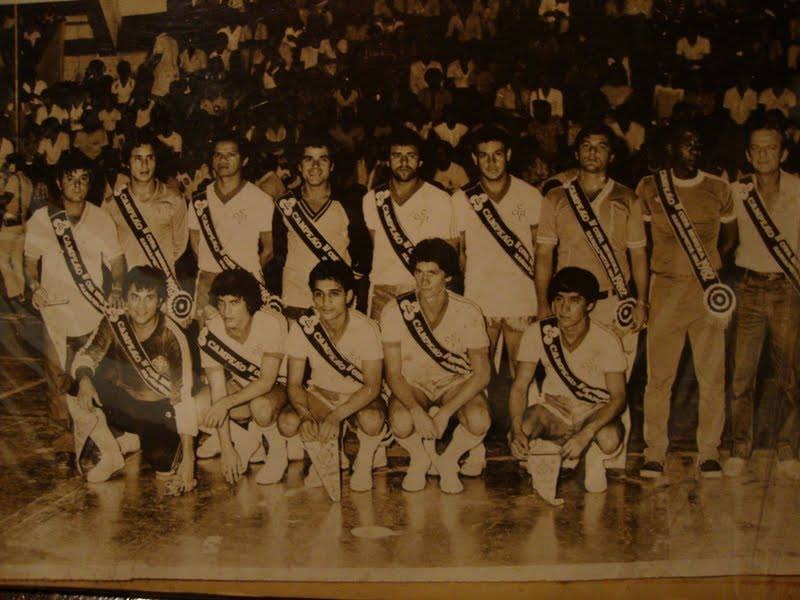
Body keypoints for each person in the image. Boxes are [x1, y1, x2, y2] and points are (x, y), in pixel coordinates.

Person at [635, 123, 735, 479]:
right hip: (664, 289)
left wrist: (710, 276)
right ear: (670, 147)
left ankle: (708, 451)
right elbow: (642, 243)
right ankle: (654, 452)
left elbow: (729, 240)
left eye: (698, 142)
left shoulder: (718, 187)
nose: (694, 148)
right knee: (659, 377)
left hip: (705, 292)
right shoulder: (649, 187)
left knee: (711, 376)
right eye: (687, 142)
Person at [24, 151, 126, 465]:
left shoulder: (101, 218)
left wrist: (118, 288)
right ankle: (68, 438)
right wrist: (34, 286)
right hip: (55, 313)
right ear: (59, 181)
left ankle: (97, 433)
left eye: (83, 179)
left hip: (92, 313)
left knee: (94, 376)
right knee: (58, 377)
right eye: (71, 178)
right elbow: (30, 263)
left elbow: (117, 262)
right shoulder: (43, 218)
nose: (77, 185)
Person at [66, 266, 197, 492]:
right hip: (126, 403)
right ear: (125, 298)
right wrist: (85, 381)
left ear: (160, 301)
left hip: (160, 412)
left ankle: (137, 440)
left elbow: (183, 398)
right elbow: (86, 355)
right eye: (134, 298)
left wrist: (189, 460)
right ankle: (111, 453)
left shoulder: (172, 336)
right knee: (75, 386)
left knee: (164, 470)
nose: (141, 307)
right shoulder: (115, 321)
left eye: (149, 298)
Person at [382, 238, 491, 494]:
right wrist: (415, 410)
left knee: (478, 420)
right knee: (400, 421)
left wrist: (445, 412)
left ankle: (449, 459)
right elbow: (393, 373)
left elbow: (482, 373)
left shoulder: (469, 311)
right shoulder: (395, 311)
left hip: (453, 383)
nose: (423, 281)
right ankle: (420, 458)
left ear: (449, 277)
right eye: (418, 272)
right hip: (414, 383)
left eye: (433, 273)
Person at [536, 123, 648, 373]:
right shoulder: (556, 197)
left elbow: (638, 254)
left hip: (613, 303)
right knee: (571, 380)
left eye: (601, 147)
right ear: (576, 154)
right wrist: (543, 303)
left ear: (612, 156)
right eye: (586, 146)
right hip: (569, 304)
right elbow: (543, 253)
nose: (592, 153)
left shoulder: (628, 198)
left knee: (614, 383)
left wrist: (641, 301)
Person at [508, 267, 627, 493]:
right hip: (555, 410)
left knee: (610, 439)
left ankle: (593, 456)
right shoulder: (538, 332)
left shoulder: (607, 340)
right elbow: (519, 386)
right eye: (559, 299)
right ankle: (548, 448)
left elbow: (619, 398)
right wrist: (516, 431)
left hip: (593, 411)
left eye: (574, 300)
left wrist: (586, 433)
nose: (564, 308)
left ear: (589, 305)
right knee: (521, 428)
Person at [726, 117, 800, 479]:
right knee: (742, 375)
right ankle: (740, 448)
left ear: (784, 152)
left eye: (771, 147)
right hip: (748, 287)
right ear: (747, 154)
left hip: (788, 287)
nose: (764, 154)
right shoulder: (737, 191)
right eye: (756, 148)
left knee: (789, 374)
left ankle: (788, 449)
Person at [280, 261, 387, 491]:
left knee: (373, 419)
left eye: (334, 294)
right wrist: (304, 413)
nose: (325, 303)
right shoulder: (304, 327)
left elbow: (371, 387)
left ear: (348, 296)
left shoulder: (366, 328)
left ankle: (365, 458)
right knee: (288, 423)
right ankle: (331, 453)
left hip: (357, 399)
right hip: (321, 397)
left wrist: (336, 417)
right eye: (319, 294)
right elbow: (295, 384)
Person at [195, 269, 289, 485]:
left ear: (249, 302)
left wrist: (225, 404)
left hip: (277, 391)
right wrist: (227, 449)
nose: (226, 311)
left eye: (234, 303)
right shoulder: (212, 332)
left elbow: (266, 381)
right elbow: (218, 391)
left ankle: (277, 452)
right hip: (242, 392)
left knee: (260, 406)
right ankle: (245, 440)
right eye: (221, 303)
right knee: (200, 404)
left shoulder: (271, 322)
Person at [362, 127, 456, 320]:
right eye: (397, 156)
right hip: (383, 289)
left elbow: (449, 252)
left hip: (425, 290)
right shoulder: (372, 199)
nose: (404, 162)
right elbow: (377, 245)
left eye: (411, 156)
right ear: (387, 161)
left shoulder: (440, 199)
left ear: (420, 161)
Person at [188, 133, 275, 328]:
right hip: (208, 282)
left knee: (247, 341)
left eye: (230, 155)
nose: (223, 160)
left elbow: (268, 250)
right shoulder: (199, 200)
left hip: (246, 283)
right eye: (218, 155)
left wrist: (244, 278)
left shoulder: (260, 199)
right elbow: (195, 244)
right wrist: (213, 267)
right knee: (207, 342)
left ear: (244, 160)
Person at [103, 132, 190, 323]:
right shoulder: (112, 204)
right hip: (127, 293)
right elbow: (107, 251)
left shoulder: (175, 199)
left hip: (164, 292)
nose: (144, 165)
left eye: (150, 158)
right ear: (127, 162)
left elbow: (180, 245)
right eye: (138, 159)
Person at [275, 137, 354, 319]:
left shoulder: (348, 203)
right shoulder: (285, 204)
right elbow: (279, 254)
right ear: (300, 166)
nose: (315, 166)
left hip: (335, 298)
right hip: (296, 297)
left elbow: (360, 254)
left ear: (332, 166)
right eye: (308, 159)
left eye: (323, 159)